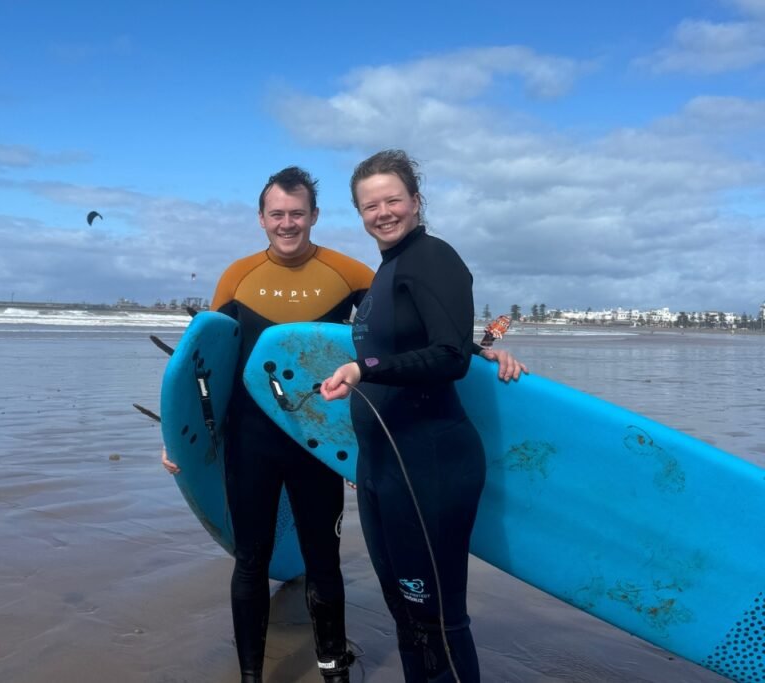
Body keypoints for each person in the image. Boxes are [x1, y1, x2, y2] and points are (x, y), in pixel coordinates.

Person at [163, 166, 524, 682]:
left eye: (297, 213)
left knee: (324, 558)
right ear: (261, 218)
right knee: (250, 559)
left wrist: (479, 352)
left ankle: (333, 668)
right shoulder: (236, 276)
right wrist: (178, 438)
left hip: (315, 441)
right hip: (250, 441)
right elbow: (204, 367)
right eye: (276, 214)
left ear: (315, 216)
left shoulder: (353, 273)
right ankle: (250, 677)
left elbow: (409, 330)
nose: (287, 224)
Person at [321, 150, 521, 682]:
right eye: (370, 205)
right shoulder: (388, 270)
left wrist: (364, 369)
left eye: (393, 200)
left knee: (436, 619)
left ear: (415, 200)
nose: (382, 212)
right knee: (407, 615)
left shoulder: (432, 257)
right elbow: (444, 341)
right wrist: (485, 350)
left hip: (429, 463)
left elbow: (449, 356)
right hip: (385, 466)